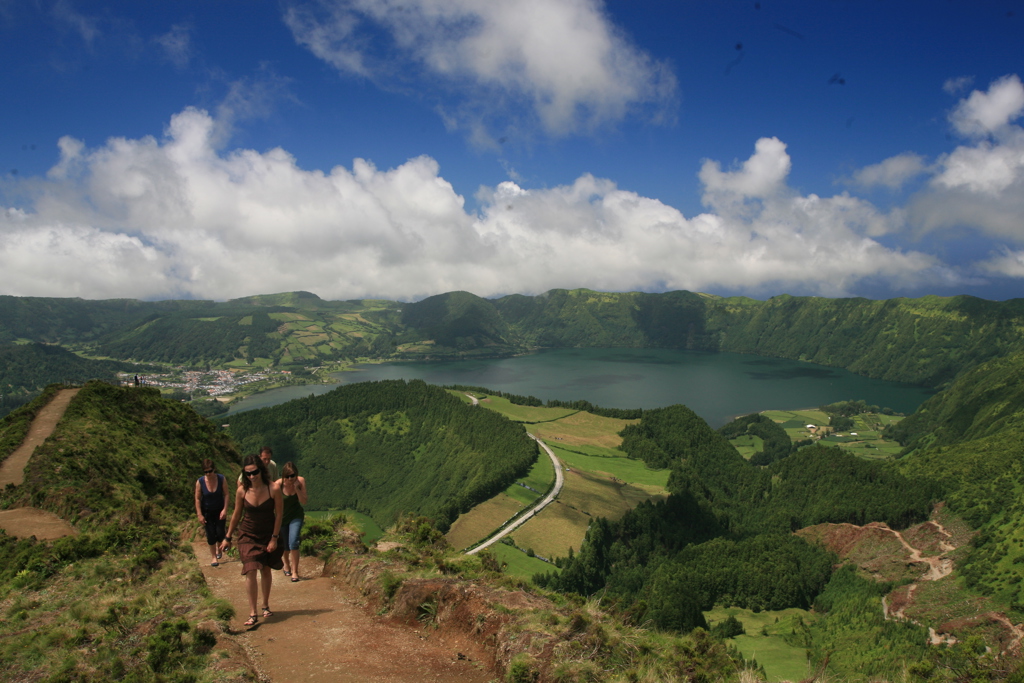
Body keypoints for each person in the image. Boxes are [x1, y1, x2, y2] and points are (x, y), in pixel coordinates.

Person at [220, 454, 284, 627]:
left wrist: (274, 538)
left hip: (268, 533)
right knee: (250, 569)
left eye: (254, 472)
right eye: (247, 473)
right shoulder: (242, 491)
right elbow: (236, 515)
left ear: (261, 471)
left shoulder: (273, 489)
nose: (252, 476)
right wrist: (228, 537)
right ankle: (252, 612)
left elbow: (279, 514)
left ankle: (265, 605)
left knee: (264, 569)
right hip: (247, 534)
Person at [278, 462, 308, 582]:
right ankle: (286, 564)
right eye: (288, 476)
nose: (290, 478)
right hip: (282, 517)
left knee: (293, 542)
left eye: (293, 475)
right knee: (285, 545)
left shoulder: (300, 481)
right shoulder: (278, 485)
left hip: (296, 515)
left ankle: (295, 571)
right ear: (284, 476)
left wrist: (297, 488)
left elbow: (304, 501)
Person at [194, 459, 228, 566]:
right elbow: (198, 499)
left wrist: (225, 509)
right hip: (207, 512)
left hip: (219, 510)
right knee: (210, 534)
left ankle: (219, 548)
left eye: (210, 471)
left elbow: (226, 494)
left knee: (220, 533)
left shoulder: (221, 479)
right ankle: (214, 557)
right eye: (206, 472)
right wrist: (199, 514)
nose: (208, 474)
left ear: (214, 469)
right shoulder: (200, 482)